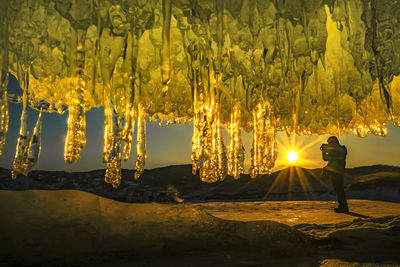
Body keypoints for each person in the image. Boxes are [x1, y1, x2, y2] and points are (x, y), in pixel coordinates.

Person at [320, 136, 349, 213]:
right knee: (338, 189)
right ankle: (342, 206)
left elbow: (334, 157)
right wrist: (323, 151)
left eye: (330, 143)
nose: (329, 144)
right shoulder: (335, 150)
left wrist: (326, 149)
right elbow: (325, 158)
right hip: (334, 172)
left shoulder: (342, 149)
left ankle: (343, 207)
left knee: (339, 189)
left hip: (338, 172)